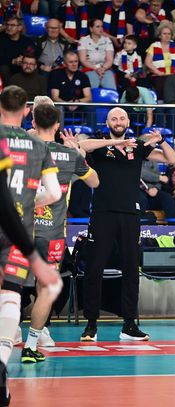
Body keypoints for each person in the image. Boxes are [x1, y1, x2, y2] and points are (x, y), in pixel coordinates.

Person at [78, 107, 175, 342]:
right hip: (102, 214)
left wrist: (161, 141)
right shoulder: (100, 146)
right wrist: (113, 144)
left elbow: (172, 160)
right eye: (114, 118)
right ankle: (91, 324)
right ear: (107, 123)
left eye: (122, 118)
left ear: (128, 122)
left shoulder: (137, 147)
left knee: (131, 269)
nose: (118, 121)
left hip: (130, 215)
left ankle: (129, 324)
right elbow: (82, 146)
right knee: (94, 268)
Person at [21, 103, 99, 364]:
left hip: (18, 229)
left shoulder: (21, 150)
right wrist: (77, 152)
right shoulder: (69, 155)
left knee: (7, 287)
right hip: (51, 233)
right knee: (46, 289)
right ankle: (31, 345)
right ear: (57, 126)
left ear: (33, 122)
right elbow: (95, 181)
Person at [0, 86, 63, 405]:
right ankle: (1, 362)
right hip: (20, 228)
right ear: (26, 111)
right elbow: (54, 193)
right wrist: (28, 202)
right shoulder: (39, 146)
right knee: (11, 294)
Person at [144, 20, 175, 100]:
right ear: (160, 35)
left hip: (174, 76)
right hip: (159, 76)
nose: (167, 36)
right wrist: (158, 72)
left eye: (169, 34)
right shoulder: (154, 46)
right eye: (164, 34)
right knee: (162, 83)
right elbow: (147, 62)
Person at [77, 18, 116, 90]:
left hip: (104, 68)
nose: (101, 29)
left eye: (102, 26)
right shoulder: (83, 40)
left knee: (109, 80)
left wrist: (103, 68)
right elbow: (83, 60)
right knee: (92, 79)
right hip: (88, 68)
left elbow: (110, 59)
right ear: (91, 29)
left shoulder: (107, 40)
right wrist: (96, 69)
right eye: (98, 26)